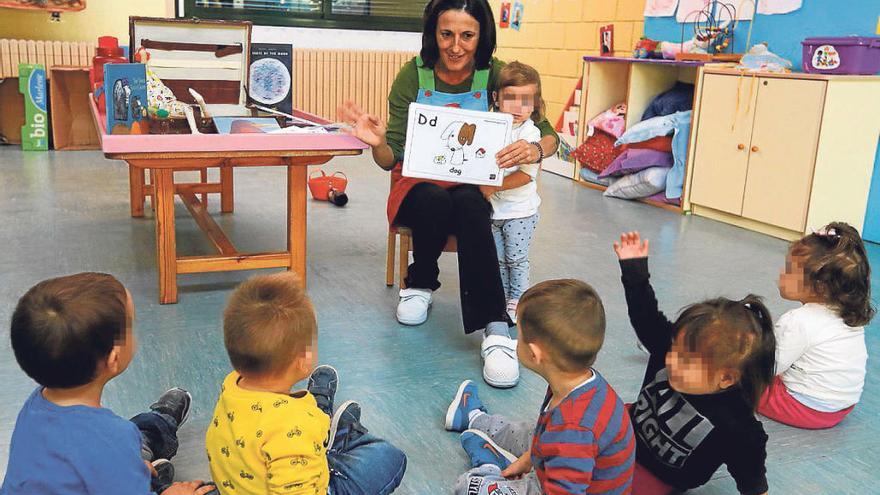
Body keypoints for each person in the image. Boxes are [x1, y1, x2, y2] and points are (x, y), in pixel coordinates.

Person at [338, 0, 559, 389]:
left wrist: (536, 150)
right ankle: (420, 282)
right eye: (446, 34)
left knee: (473, 203)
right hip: (415, 184)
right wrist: (375, 143)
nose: (456, 46)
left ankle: (495, 327)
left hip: (469, 182)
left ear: (481, 36)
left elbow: (548, 133)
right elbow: (391, 158)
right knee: (435, 199)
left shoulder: (495, 74)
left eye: (467, 35)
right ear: (433, 34)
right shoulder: (413, 75)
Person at [2, 272, 213, 495]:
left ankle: (150, 448)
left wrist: (122, 468)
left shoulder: (34, 405)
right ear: (113, 358)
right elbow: (102, 450)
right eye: (132, 324)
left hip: (102, 470)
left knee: (135, 437)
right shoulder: (112, 438)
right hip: (113, 469)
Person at [206, 272, 406, 495]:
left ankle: (322, 428)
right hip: (306, 478)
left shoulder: (232, 385)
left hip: (250, 482)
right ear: (303, 361)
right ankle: (333, 437)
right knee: (389, 456)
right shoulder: (293, 424)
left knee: (300, 434)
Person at [613, 232, 774, 495]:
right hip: (626, 431)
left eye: (686, 361)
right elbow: (646, 317)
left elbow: (753, 480)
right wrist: (635, 272)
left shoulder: (738, 426)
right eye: (675, 347)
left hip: (656, 475)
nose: (671, 358)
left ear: (726, 378)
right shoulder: (672, 349)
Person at [444, 279, 635, 495]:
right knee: (528, 433)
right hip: (560, 464)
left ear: (535, 354)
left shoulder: (574, 429)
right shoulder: (577, 381)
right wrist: (530, 459)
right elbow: (548, 436)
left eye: (520, 334)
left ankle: (490, 467)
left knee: (466, 487)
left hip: (559, 487)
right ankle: (474, 418)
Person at [759, 222, 874, 429]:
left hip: (805, 408)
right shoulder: (847, 316)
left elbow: (768, 367)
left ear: (818, 286)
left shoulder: (798, 320)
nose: (781, 273)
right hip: (840, 407)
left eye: (789, 269)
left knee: (739, 379)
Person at [483, 61, 544, 323]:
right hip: (495, 210)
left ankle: (518, 301)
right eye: (511, 98)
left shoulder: (531, 133)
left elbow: (525, 176)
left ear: (535, 104)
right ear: (497, 98)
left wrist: (490, 187)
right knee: (497, 260)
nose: (518, 107)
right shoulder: (491, 125)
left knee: (516, 259)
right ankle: (504, 298)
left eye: (526, 100)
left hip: (520, 211)